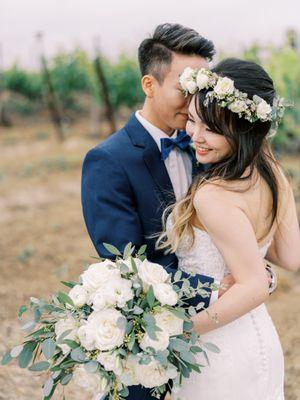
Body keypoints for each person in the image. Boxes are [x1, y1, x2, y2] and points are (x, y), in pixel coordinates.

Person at [156, 58, 300, 400]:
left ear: (242, 128)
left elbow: (253, 286)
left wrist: (181, 333)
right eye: (193, 121)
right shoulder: (272, 172)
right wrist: (254, 269)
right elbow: (291, 257)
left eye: (212, 128)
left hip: (213, 349)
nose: (196, 136)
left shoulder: (213, 196)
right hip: (257, 339)